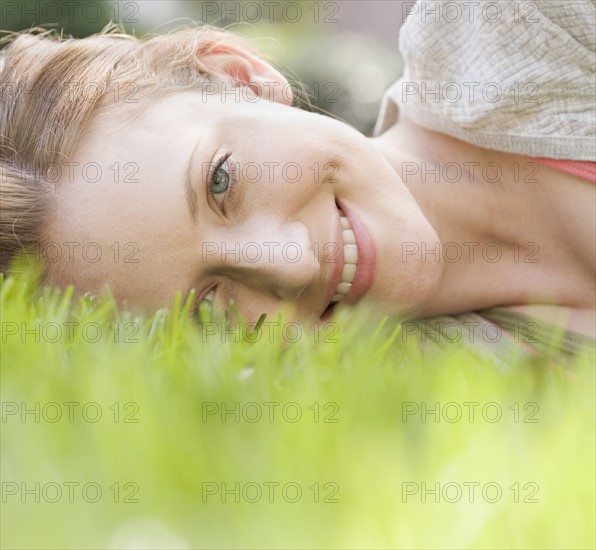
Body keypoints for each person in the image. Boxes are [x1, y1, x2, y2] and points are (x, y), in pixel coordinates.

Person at [0, 1, 594, 358]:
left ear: (238, 76)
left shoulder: (526, 22)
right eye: (208, 309)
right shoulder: (440, 406)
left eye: (220, 183)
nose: (290, 263)